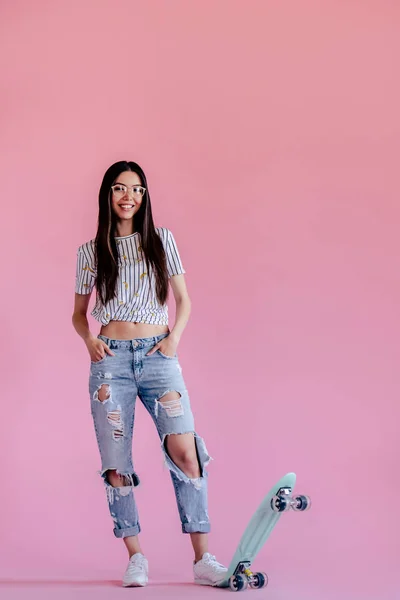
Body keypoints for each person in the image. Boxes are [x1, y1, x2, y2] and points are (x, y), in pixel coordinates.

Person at [72, 161, 227, 587]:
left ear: (145, 196)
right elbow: (78, 315)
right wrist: (89, 342)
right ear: (107, 194)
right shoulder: (91, 251)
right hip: (112, 363)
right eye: (120, 189)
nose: (129, 197)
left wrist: (174, 337)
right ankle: (136, 556)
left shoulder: (161, 241)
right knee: (116, 464)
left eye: (137, 190)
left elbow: (185, 300)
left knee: (186, 451)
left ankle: (202, 559)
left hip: (159, 357)